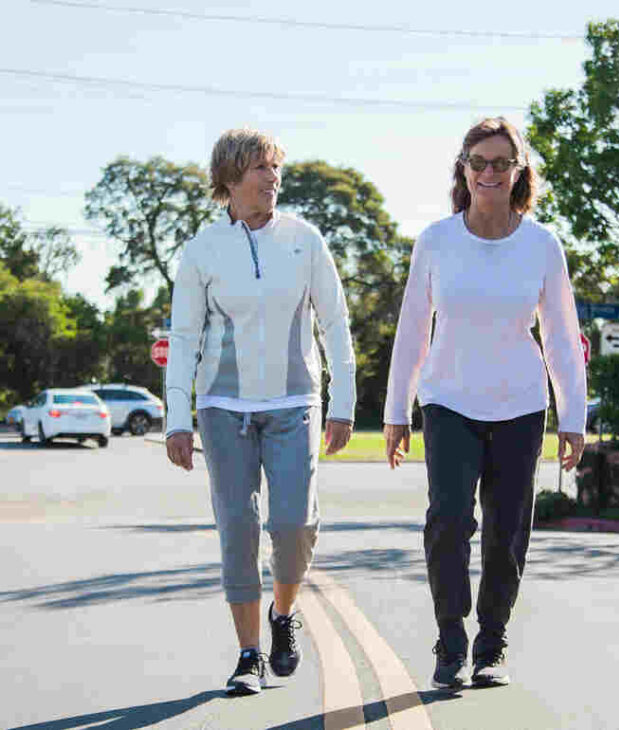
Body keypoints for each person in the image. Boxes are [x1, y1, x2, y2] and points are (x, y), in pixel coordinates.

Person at [383, 117, 587, 689]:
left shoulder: (542, 245)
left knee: (507, 529)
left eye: (502, 162)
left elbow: (563, 337)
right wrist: (397, 409)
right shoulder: (437, 241)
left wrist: (573, 415)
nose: (490, 172)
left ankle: (490, 642)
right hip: (447, 399)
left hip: (520, 405)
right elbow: (411, 332)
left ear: (519, 170)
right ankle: (450, 634)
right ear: (464, 170)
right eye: (479, 162)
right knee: (448, 519)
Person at [164, 128, 356, 696]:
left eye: (275, 168)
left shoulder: (305, 240)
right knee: (238, 529)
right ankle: (249, 654)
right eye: (260, 169)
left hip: (296, 403)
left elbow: (336, 324)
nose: (272, 178)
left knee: (294, 525)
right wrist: (179, 416)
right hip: (223, 409)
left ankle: (283, 612)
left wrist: (343, 402)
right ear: (229, 180)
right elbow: (182, 336)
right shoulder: (201, 250)